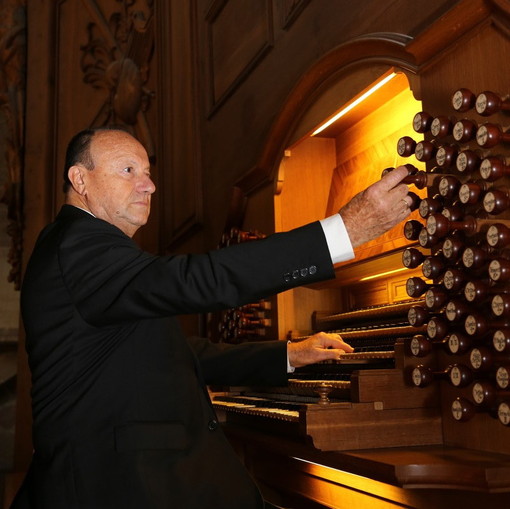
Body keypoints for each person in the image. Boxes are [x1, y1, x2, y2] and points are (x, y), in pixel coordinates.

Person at [11, 127, 412, 509]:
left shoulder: (99, 255)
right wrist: (343, 232)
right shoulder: (76, 245)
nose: (148, 185)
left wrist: (288, 354)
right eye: (128, 170)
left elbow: (178, 353)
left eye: (148, 173)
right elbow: (198, 279)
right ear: (80, 180)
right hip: (119, 487)